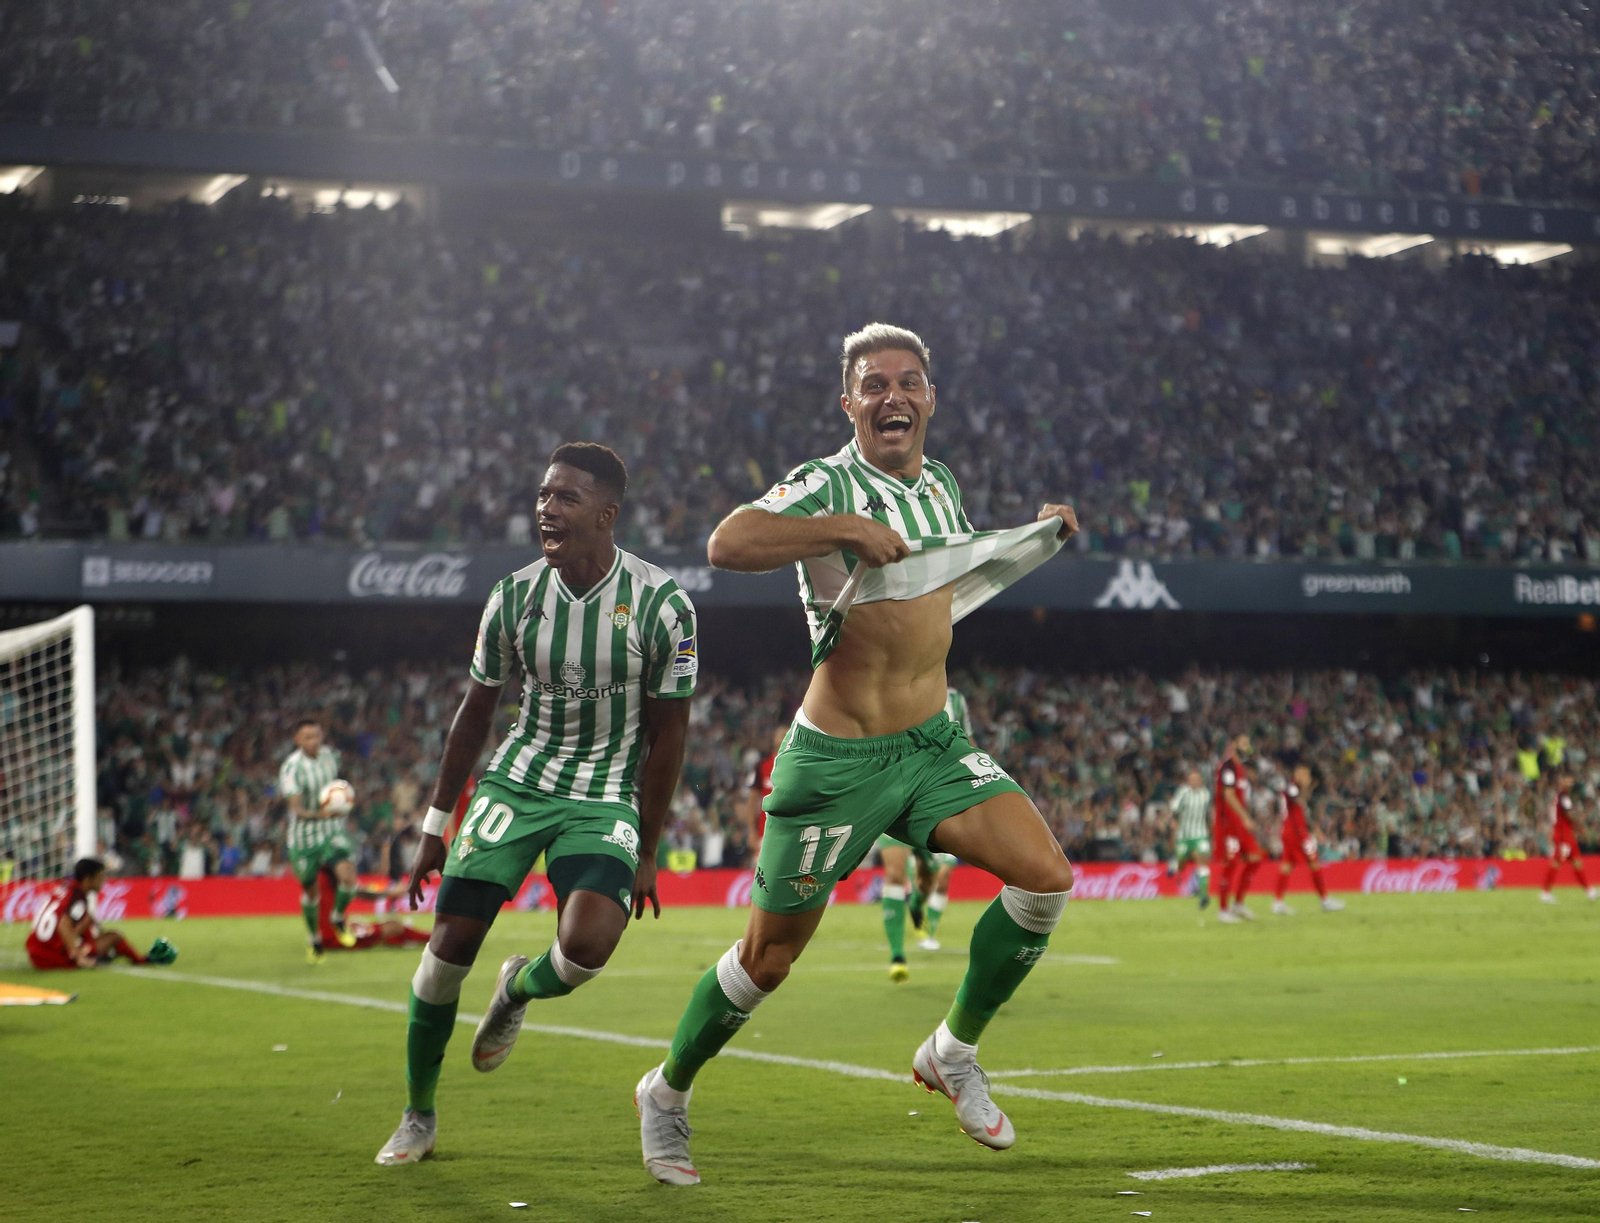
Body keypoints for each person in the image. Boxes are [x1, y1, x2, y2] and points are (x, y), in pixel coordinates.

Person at [635, 323, 1078, 1185]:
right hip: (836, 761)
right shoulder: (826, 480)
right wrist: (840, 527)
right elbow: (728, 543)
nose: (892, 397)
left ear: (930, 399)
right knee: (768, 959)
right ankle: (666, 1090)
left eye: (907, 382)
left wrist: (1033, 533)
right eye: (873, 385)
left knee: (1044, 876)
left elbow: (945, 572)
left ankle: (952, 1050)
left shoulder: (942, 482)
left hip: (932, 744)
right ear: (850, 403)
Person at [375, 443, 696, 1167]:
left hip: (606, 788)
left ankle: (517, 985)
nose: (546, 508)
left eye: (566, 498)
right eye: (544, 496)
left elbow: (671, 733)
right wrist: (436, 821)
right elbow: (476, 714)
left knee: (586, 950)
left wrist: (647, 847)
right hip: (519, 781)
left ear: (607, 514)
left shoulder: (663, 604)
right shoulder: (514, 596)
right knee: (444, 953)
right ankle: (417, 1113)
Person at [278, 718, 358, 963]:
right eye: (308, 737)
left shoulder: (330, 756)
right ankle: (314, 938)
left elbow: (339, 784)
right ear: (298, 740)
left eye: (317, 736)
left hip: (332, 830)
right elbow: (296, 809)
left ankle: (337, 916)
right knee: (311, 892)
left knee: (348, 877)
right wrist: (320, 813)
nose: (314, 741)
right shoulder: (292, 768)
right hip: (304, 836)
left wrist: (343, 799)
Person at [26, 857, 176, 969]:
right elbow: (64, 924)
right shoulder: (77, 897)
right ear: (88, 879)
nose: (103, 881)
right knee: (114, 936)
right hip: (55, 957)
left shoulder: (65, 888)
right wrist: (77, 953)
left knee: (89, 920)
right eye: (100, 877)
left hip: (36, 953)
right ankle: (142, 960)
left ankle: (102, 954)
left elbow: (67, 924)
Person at [1270, 765, 1345, 914]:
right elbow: (1299, 801)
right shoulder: (1292, 787)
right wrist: (1306, 788)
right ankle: (1325, 900)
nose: (1307, 778)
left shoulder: (1294, 787)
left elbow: (1301, 809)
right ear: (1297, 774)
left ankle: (1278, 902)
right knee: (1314, 862)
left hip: (1292, 831)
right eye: (1304, 775)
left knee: (1287, 865)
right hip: (1297, 833)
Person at [1214, 733, 1266, 923]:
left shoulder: (1240, 768)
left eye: (1248, 743)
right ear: (1234, 745)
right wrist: (1245, 818)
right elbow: (1228, 795)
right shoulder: (1228, 767)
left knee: (1255, 858)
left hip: (1240, 824)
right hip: (1228, 824)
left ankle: (1238, 904)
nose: (1246, 746)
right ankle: (1223, 910)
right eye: (1243, 743)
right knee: (1232, 863)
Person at [1540, 774, 1597, 904]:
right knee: (1557, 862)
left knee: (1576, 862)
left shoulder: (1559, 796)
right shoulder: (1563, 797)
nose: (1570, 784)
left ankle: (1589, 891)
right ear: (1562, 783)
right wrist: (1580, 826)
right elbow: (1569, 814)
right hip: (1563, 836)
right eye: (1567, 781)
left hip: (1566, 834)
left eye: (1571, 781)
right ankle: (1545, 892)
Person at [1167, 768, 1212, 910]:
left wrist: (1212, 833)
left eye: (1196, 779)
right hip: (1184, 835)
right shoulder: (1183, 792)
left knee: (1202, 860)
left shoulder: (1206, 794)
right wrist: (1174, 824)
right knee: (1182, 862)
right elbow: (1174, 809)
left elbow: (1208, 814)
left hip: (1200, 834)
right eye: (1191, 779)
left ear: (1200, 781)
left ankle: (1204, 895)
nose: (1194, 782)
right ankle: (1175, 865)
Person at [740, 724, 786, 859]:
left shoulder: (799, 768)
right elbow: (752, 801)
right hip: (764, 833)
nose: (785, 738)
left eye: (788, 734)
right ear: (774, 739)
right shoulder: (762, 766)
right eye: (781, 734)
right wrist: (751, 831)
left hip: (788, 834)